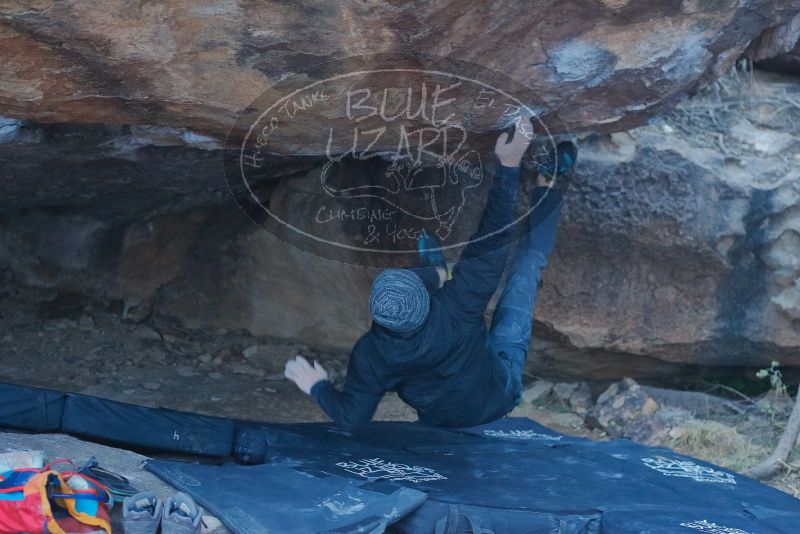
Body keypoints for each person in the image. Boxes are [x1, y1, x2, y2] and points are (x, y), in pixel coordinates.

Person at [285, 116, 577, 431]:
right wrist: (509, 164)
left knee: (520, 276)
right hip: (499, 391)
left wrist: (317, 385)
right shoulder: (458, 305)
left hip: (443, 422)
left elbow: (351, 418)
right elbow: (492, 239)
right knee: (527, 269)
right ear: (428, 300)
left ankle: (435, 272)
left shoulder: (372, 356)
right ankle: (547, 183)